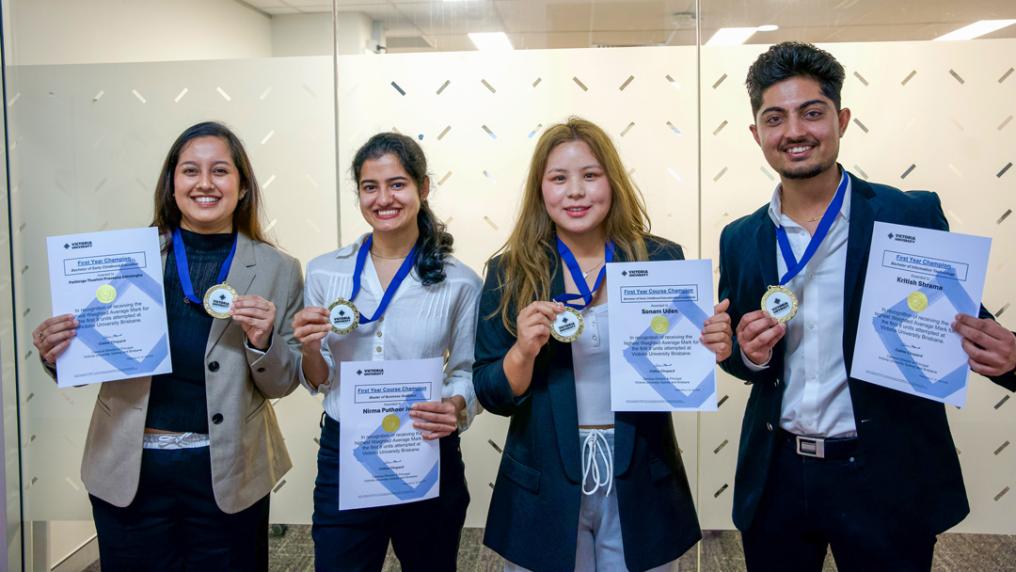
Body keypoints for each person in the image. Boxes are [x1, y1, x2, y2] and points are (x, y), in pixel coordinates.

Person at [718, 42, 1016, 572]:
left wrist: (1012, 359)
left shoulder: (909, 213)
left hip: (883, 475)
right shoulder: (742, 238)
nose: (794, 131)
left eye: (812, 112)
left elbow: (958, 320)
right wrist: (749, 355)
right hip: (779, 476)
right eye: (775, 118)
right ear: (756, 133)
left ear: (842, 119)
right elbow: (745, 358)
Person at [32, 121, 304, 570]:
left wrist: (263, 342)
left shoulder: (278, 267)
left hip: (229, 472)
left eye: (220, 171)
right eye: (189, 171)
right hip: (130, 469)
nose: (204, 183)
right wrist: (56, 353)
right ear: (171, 184)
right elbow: (83, 364)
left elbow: (282, 383)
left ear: (242, 187)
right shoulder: (125, 259)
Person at [474, 117, 731, 572]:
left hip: (640, 477)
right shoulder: (511, 271)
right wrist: (522, 353)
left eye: (590, 175)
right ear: (541, 190)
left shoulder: (659, 258)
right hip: (545, 481)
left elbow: (683, 368)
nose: (575, 191)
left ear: (612, 182)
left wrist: (712, 344)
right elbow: (492, 392)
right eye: (559, 178)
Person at [293, 132, 481, 572]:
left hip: (425, 446)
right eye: (369, 187)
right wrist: (307, 348)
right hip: (347, 453)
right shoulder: (325, 271)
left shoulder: (460, 281)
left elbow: (468, 368)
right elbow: (319, 379)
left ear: (423, 188)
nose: (383, 199)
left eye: (397, 184)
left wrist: (455, 404)